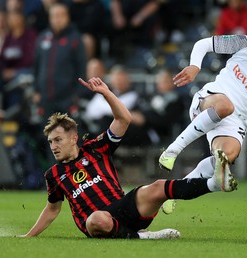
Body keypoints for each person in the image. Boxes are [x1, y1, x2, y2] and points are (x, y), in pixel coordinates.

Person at [19, 77, 232, 239]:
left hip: (124, 207)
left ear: (74, 138)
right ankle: (142, 237)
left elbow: (124, 119)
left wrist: (106, 92)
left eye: (57, 140)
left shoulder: (96, 148)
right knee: (96, 219)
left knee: (158, 186)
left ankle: (214, 183)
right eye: (50, 142)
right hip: (98, 221)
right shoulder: (54, 174)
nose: (53, 146)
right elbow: (52, 209)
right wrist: (29, 236)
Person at [158, 17, 247, 214]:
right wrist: (195, 66)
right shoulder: (246, 44)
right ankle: (172, 150)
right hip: (210, 100)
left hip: (236, 122)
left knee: (226, 156)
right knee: (225, 106)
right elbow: (203, 44)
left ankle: (176, 191)